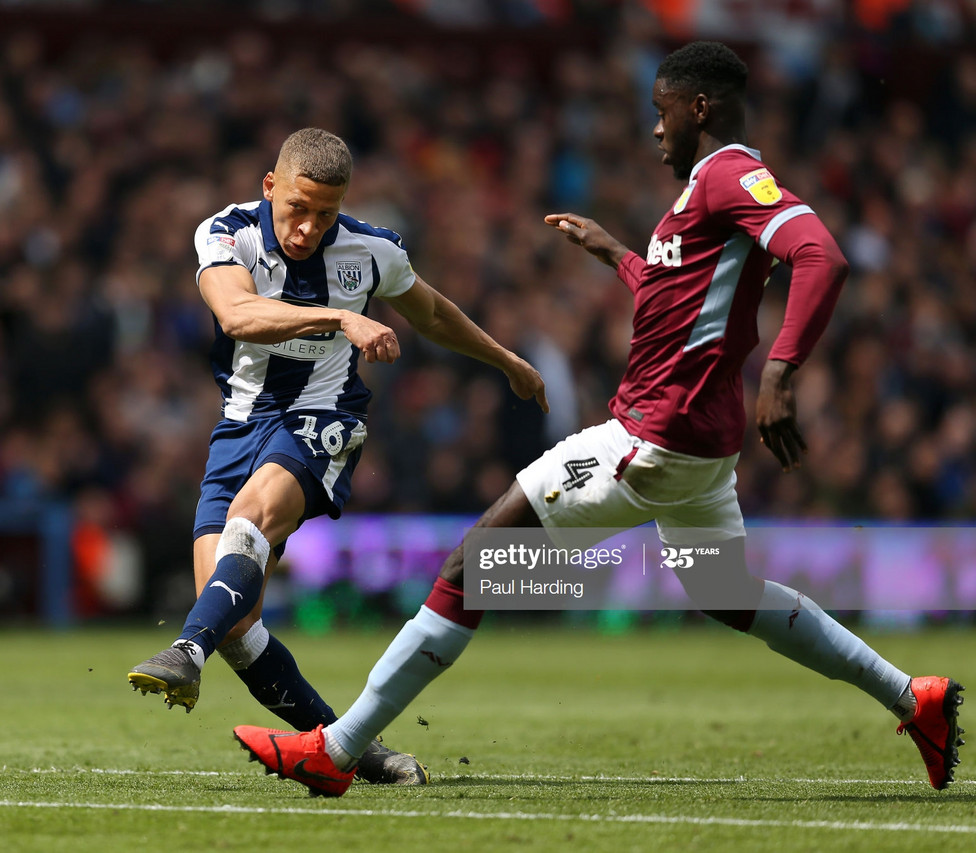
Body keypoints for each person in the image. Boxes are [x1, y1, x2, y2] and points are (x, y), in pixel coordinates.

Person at [232, 42, 963, 797]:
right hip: (697, 455)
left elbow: (821, 256)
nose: (655, 128)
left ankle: (339, 748)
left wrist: (782, 369)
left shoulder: (729, 175)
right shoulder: (702, 195)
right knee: (726, 590)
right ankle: (915, 699)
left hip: (652, 436)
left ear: (698, 108)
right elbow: (683, 298)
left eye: (661, 110)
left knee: (475, 563)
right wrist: (617, 254)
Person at [127, 127, 547, 785]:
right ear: (270, 187)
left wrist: (505, 359)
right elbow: (236, 314)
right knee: (236, 622)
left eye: (325, 213)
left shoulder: (370, 249)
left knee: (250, 522)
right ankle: (356, 750)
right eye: (297, 208)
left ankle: (184, 650)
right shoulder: (226, 233)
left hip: (324, 418)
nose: (308, 228)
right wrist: (340, 318)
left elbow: (431, 312)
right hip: (239, 428)